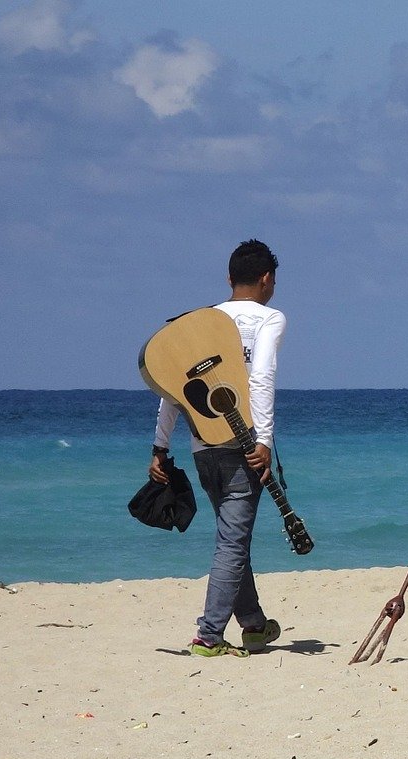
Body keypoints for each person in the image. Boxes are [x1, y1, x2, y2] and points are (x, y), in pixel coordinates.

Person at [149, 239, 286, 656]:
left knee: (233, 536)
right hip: (244, 445)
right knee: (232, 541)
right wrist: (262, 439)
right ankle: (208, 635)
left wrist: (159, 446)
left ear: (229, 278)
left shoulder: (200, 321)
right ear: (267, 279)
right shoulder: (269, 318)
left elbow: (171, 388)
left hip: (201, 445)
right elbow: (261, 377)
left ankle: (254, 625)